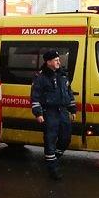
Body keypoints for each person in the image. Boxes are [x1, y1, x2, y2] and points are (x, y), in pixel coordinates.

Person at [30, 50, 77, 180]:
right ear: (48, 62)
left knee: (66, 138)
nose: (59, 62)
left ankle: (53, 158)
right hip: (49, 113)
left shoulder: (62, 75)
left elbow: (69, 93)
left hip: (62, 111)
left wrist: (72, 109)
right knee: (50, 141)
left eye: (58, 60)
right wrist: (38, 113)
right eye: (56, 60)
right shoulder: (40, 77)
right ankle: (53, 170)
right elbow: (35, 97)